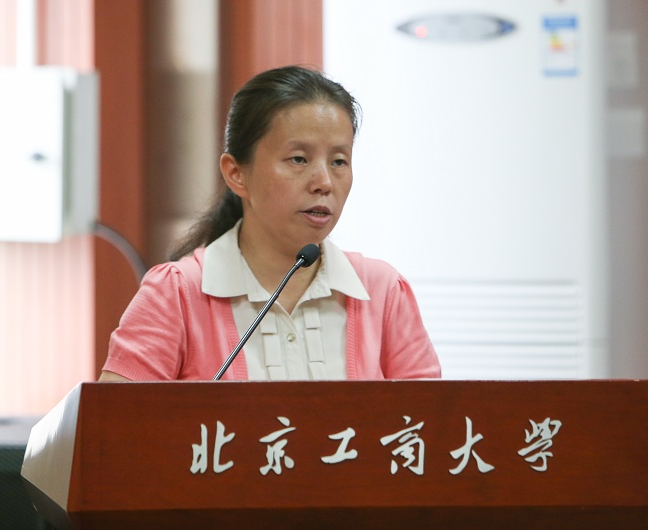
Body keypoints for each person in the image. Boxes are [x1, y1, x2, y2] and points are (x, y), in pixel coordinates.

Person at [99, 65, 440, 382]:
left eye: (339, 161)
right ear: (236, 173)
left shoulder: (383, 292)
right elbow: (115, 423)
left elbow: (432, 422)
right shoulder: (176, 295)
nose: (324, 182)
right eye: (298, 159)